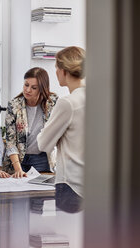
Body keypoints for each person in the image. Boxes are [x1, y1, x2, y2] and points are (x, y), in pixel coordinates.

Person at [37, 46, 86, 212]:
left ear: (64, 71)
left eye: (56, 68)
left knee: (66, 236)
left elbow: (43, 144)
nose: (56, 72)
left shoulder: (67, 103)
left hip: (71, 185)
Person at [0, 67, 59, 178]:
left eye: (34, 87)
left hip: (42, 159)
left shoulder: (53, 103)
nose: (28, 90)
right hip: (16, 160)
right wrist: (18, 169)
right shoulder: (14, 105)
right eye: (26, 85)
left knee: (41, 193)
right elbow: (11, 141)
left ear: (42, 88)